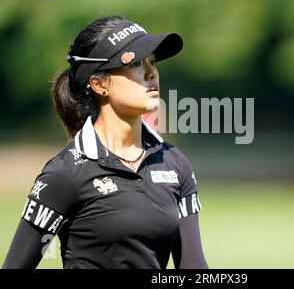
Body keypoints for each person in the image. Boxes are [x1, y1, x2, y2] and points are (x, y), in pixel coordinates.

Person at [2, 15, 208, 269]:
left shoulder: (175, 164)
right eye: (135, 63)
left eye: (152, 62)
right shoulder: (65, 172)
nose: (151, 72)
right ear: (99, 84)